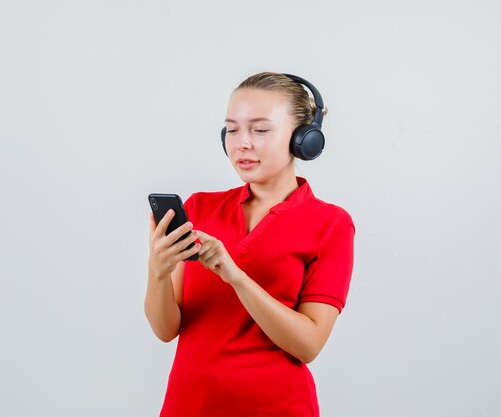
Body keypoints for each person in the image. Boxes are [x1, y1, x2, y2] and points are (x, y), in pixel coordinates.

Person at [144, 72, 355, 417]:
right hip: (189, 406)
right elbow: (166, 329)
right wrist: (157, 271)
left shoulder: (330, 224)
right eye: (232, 129)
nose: (242, 143)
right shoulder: (199, 208)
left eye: (260, 130)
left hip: (278, 407)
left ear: (304, 139)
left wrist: (235, 276)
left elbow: (308, 344)